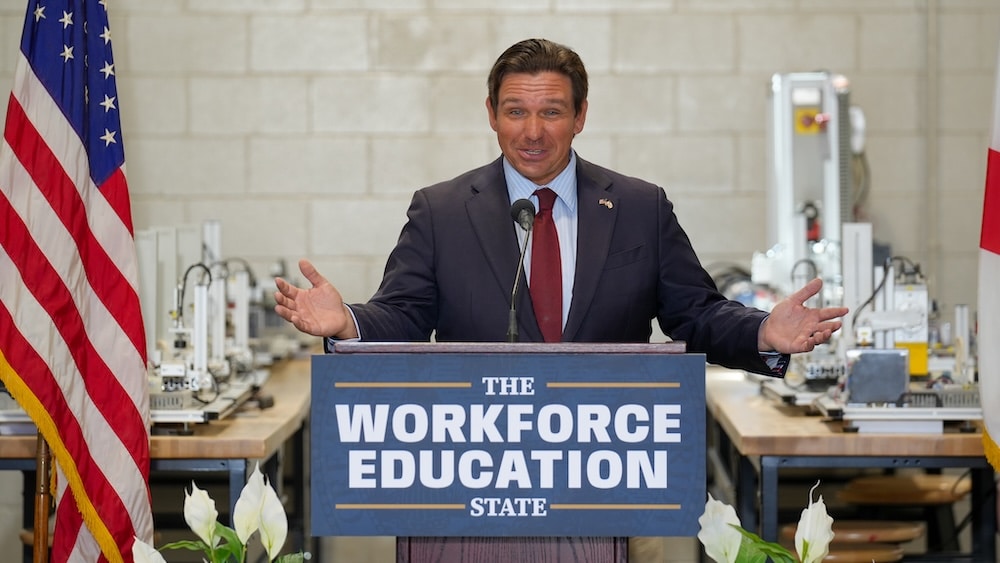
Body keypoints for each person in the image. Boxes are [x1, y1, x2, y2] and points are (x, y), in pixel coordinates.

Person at [273, 38, 848, 377]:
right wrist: (347, 322)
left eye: (551, 112)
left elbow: (694, 315)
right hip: (479, 460)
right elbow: (403, 315)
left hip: (610, 457)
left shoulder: (639, 207)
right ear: (492, 115)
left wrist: (763, 333)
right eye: (515, 111)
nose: (532, 132)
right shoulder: (441, 211)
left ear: (580, 117)